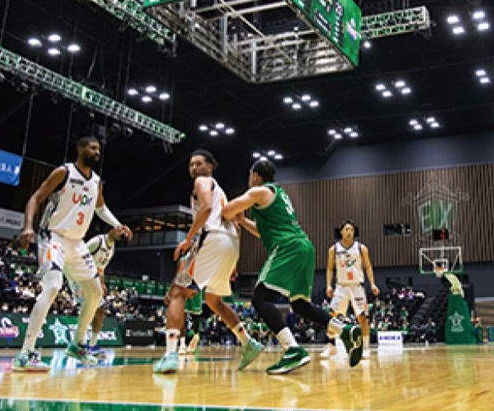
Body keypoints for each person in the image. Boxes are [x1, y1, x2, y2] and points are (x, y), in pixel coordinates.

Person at [221, 159, 362, 374]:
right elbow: (264, 232)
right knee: (300, 305)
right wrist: (242, 221)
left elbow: (226, 211)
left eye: (250, 176)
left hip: (288, 247)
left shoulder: (259, 191)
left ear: (255, 175)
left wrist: (229, 211)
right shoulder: (278, 194)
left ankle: (292, 350)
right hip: (304, 247)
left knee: (260, 298)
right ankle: (344, 330)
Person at [14, 136, 129, 372]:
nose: (97, 152)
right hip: (53, 236)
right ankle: (26, 352)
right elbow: (35, 198)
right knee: (53, 286)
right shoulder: (64, 172)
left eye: (98, 149)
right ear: (80, 149)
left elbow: (100, 208)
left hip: (77, 243)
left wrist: (118, 224)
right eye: (92, 148)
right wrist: (27, 227)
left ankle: (77, 344)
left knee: (96, 293)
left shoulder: (96, 181)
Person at [154, 150, 263, 374]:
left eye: (198, 163)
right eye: (191, 165)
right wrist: (234, 263)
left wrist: (187, 240)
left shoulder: (202, 182)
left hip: (212, 238)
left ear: (210, 167)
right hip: (230, 243)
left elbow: (205, 209)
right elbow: (236, 227)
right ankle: (248, 343)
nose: (193, 168)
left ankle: (171, 354)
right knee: (214, 300)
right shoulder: (221, 192)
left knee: (177, 293)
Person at [71, 223, 133, 358]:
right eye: (118, 230)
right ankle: (80, 344)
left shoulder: (111, 248)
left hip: (92, 278)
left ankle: (91, 345)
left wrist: (102, 283)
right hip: (80, 277)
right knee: (92, 308)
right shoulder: (97, 241)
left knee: (99, 310)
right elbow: (78, 257)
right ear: (110, 229)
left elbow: (101, 268)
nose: (121, 234)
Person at [325, 221, 379, 355]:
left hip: (357, 286)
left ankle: (365, 349)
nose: (349, 232)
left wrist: (372, 283)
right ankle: (331, 346)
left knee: (363, 318)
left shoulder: (361, 248)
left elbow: (368, 267)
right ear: (341, 231)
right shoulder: (334, 249)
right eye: (347, 229)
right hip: (341, 286)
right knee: (332, 316)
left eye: (352, 230)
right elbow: (330, 268)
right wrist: (328, 285)